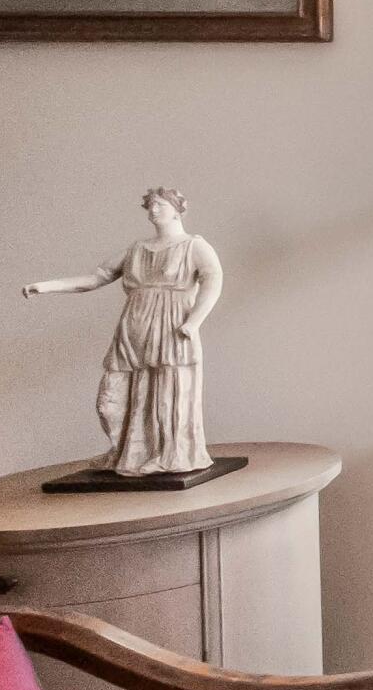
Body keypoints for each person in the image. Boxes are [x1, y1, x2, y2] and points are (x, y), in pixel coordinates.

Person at [24, 186, 224, 477]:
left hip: (171, 328)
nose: (153, 210)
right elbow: (96, 278)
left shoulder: (194, 246)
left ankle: (170, 454)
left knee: (168, 397)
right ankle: (128, 452)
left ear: (177, 208)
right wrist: (46, 286)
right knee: (110, 400)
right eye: (150, 205)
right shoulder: (137, 249)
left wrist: (194, 322)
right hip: (133, 330)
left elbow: (213, 281)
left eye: (159, 204)